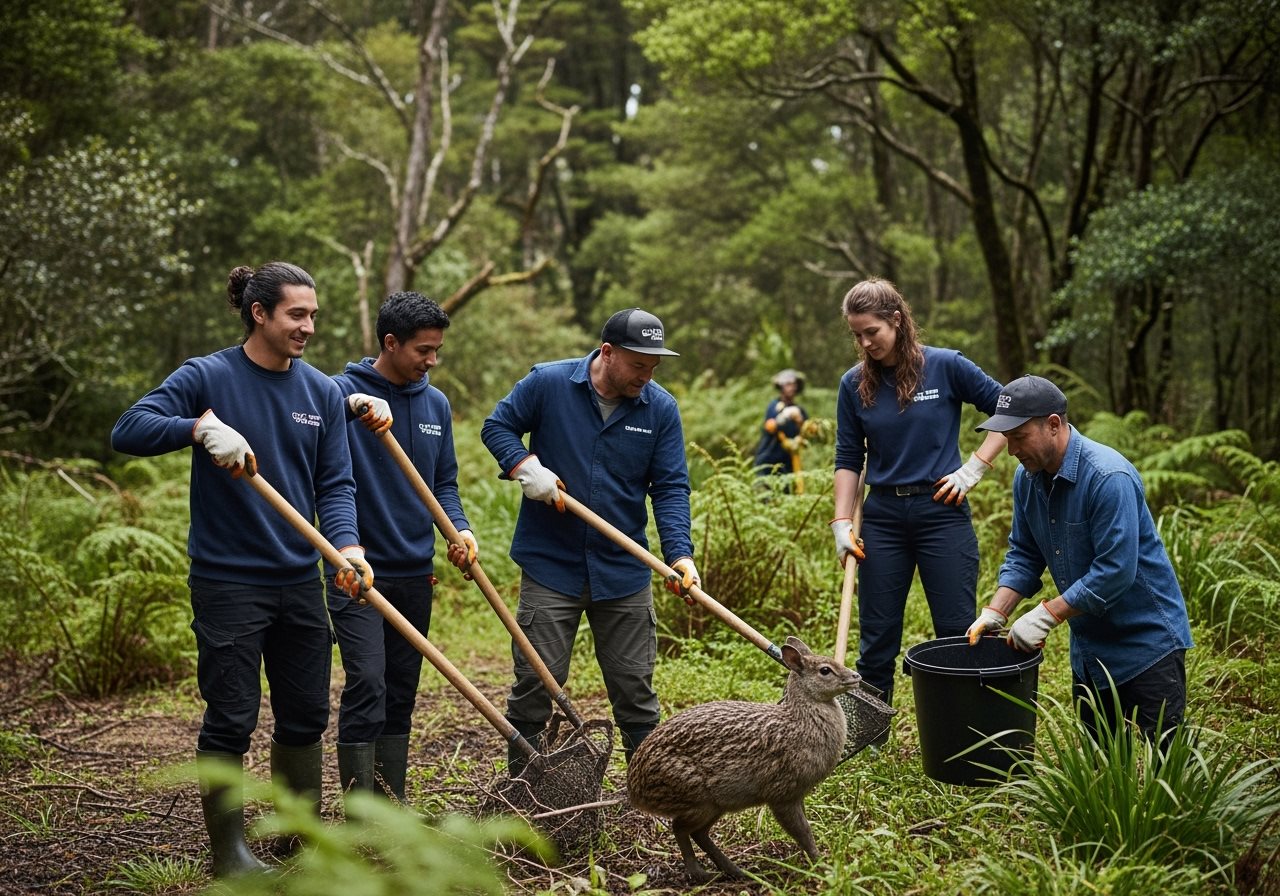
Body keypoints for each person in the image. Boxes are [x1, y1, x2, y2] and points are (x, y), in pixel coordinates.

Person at [110, 262, 373, 877]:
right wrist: (197, 428)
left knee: (307, 711)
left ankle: (297, 839)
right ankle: (229, 854)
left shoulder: (321, 392)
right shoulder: (209, 375)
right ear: (260, 313)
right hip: (229, 580)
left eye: (313, 314)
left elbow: (334, 483)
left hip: (298, 577)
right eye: (296, 315)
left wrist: (348, 548)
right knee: (232, 714)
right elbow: (128, 429)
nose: (308, 326)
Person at [480, 307, 700, 768]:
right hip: (550, 565)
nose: (647, 374)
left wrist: (680, 553)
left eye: (654, 365)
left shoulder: (660, 408)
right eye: (638, 364)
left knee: (635, 689)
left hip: (623, 571)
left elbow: (672, 487)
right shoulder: (548, 383)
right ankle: (525, 792)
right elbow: (496, 427)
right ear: (607, 352)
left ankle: (648, 793)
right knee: (536, 686)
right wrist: (524, 467)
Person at [965, 375, 1193, 744]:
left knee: (1166, 762)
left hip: (1147, 645)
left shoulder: (1107, 477)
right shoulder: (1028, 480)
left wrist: (1046, 614)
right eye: (1006, 439)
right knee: (1100, 764)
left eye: (1019, 437)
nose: (1011, 451)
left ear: (1053, 425)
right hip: (1090, 651)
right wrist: (995, 613)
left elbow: (1116, 571)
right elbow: (1025, 553)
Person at [327, 292, 477, 803]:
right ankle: (359, 810)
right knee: (367, 680)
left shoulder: (434, 402)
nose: (432, 361)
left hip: (416, 570)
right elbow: (320, 476)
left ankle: (391, 806)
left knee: (401, 688)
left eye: (437, 349)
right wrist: (349, 410)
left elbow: (445, 484)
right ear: (390, 343)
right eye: (423, 350)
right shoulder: (339, 396)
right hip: (357, 570)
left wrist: (459, 530)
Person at [832, 277, 1007, 706]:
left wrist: (973, 469)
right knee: (877, 639)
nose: (865, 342)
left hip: (941, 511)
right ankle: (871, 738)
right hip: (883, 519)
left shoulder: (946, 366)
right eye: (857, 335)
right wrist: (840, 521)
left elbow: (1010, 408)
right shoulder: (853, 384)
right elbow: (848, 456)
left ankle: (963, 729)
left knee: (955, 630)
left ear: (896, 319)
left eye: (871, 332)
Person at [753, 368, 810, 487]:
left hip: (789, 463)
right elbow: (770, 427)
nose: (792, 387)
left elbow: (808, 431)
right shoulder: (774, 406)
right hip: (769, 460)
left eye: (794, 384)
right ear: (781, 387)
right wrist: (786, 415)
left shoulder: (800, 410)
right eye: (788, 384)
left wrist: (800, 422)